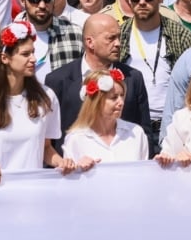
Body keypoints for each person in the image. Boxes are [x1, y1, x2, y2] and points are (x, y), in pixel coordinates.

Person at [0, 23, 80, 173]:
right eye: (25, 54)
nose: (33, 59)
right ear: (5, 58)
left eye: (33, 52)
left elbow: (45, 147)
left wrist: (61, 162)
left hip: (31, 191)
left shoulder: (46, 97)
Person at [44, 13, 151, 150]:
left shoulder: (133, 78)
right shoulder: (58, 80)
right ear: (90, 42)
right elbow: (48, 140)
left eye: (119, 37)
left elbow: (144, 131)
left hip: (121, 163)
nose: (118, 43)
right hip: (74, 166)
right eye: (111, 38)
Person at [117, 0, 191, 149]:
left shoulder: (182, 35)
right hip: (130, 125)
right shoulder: (119, 35)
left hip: (173, 124)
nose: (142, 2)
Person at [62, 69, 150, 166]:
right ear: (96, 101)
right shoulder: (76, 139)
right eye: (114, 97)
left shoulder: (136, 133)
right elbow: (69, 178)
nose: (121, 102)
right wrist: (78, 169)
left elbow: (144, 174)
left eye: (122, 96)